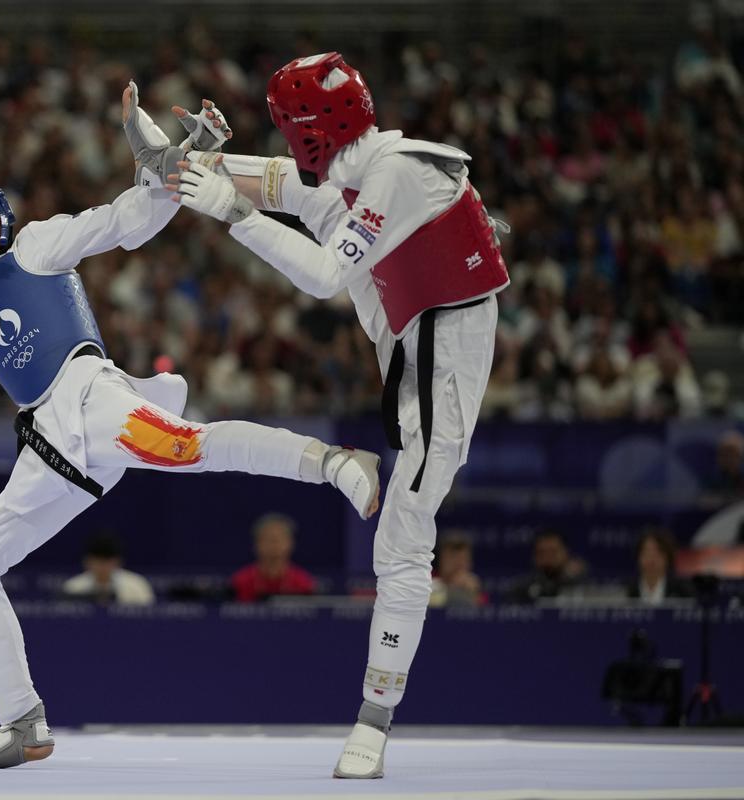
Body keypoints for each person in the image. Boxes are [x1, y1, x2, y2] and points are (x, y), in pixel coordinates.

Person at [0, 81, 382, 769]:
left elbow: (126, 220)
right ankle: (23, 721)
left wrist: (181, 162)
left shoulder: (38, 245)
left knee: (193, 448)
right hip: (51, 449)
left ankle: (332, 461)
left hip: (95, 405)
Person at [168, 53, 507, 778]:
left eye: (290, 127)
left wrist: (230, 210)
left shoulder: (394, 172)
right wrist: (187, 165)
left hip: (446, 347)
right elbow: (292, 182)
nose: (289, 141)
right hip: (406, 308)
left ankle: (374, 721)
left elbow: (325, 278)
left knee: (405, 535)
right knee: (319, 203)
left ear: (315, 125)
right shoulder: (360, 165)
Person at [229, 513, 316, 602]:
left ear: (291, 544)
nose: (274, 544)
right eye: (268, 539)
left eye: (279, 539)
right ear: (256, 544)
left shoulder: (303, 582)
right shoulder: (240, 582)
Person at [61, 532, 154, 606]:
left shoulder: (137, 586)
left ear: (118, 561)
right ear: (87, 561)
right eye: (99, 561)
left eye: (108, 561)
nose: (103, 566)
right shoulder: (73, 588)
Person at [505, 529, 588, 603]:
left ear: (566, 553)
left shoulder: (582, 583)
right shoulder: (520, 589)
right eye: (542, 553)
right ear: (534, 556)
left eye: (553, 552)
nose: (548, 558)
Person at [626, 528, 693, 604]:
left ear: (667, 557)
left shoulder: (683, 589)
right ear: (638, 557)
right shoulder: (627, 589)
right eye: (646, 553)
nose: (651, 559)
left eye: (657, 553)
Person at [428, 532, 484, 607]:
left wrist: (473, 593)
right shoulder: (427, 580)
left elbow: (484, 607)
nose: (458, 564)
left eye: (463, 559)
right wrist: (450, 588)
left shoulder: (474, 585)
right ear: (441, 560)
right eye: (452, 558)